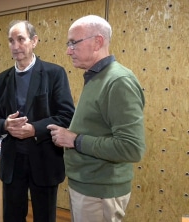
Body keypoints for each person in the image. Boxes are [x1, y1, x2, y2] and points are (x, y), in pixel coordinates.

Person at [47, 15, 146, 222]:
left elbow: (131, 148)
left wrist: (74, 140)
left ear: (98, 42)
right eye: (68, 44)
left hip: (100, 192)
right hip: (88, 187)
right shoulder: (96, 77)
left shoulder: (118, 81)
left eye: (74, 43)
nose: (68, 50)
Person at [0, 20, 75, 222]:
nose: (16, 46)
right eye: (11, 41)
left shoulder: (54, 74)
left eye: (21, 39)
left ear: (34, 41)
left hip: (44, 161)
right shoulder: (2, 79)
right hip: (12, 163)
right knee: (12, 217)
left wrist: (33, 129)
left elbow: (66, 115)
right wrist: (6, 125)